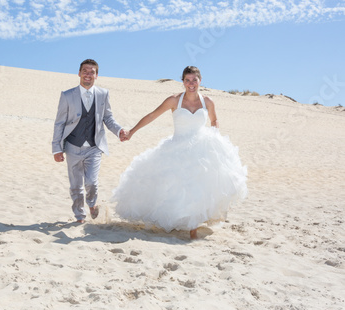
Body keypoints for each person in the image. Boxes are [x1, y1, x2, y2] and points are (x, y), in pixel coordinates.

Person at [113, 66, 247, 239]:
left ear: (200, 81)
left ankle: (193, 227)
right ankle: (183, 222)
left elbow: (214, 120)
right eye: (187, 80)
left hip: (202, 148)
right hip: (177, 147)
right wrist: (132, 131)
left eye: (194, 80)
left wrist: (216, 139)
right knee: (176, 187)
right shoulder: (174, 100)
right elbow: (153, 115)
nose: (191, 84)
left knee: (200, 186)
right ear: (182, 82)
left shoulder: (208, 102)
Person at [52, 59, 128, 223]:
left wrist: (119, 130)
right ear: (79, 73)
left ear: (97, 75)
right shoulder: (67, 95)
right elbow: (59, 122)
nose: (88, 74)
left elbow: (108, 118)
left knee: (91, 183)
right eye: (85, 71)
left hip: (94, 147)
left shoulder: (103, 94)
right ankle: (80, 216)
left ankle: (92, 204)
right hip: (72, 146)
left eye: (91, 71)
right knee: (76, 186)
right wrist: (56, 149)